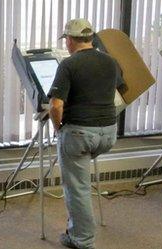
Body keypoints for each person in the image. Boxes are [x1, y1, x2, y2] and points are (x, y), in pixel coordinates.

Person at [48, 19, 126, 249]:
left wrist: (58, 127)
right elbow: (115, 88)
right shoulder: (111, 61)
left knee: (78, 188)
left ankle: (82, 239)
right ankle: (78, 229)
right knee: (81, 179)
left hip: (80, 134)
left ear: (70, 40)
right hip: (108, 134)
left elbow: (55, 105)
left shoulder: (69, 65)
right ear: (91, 38)